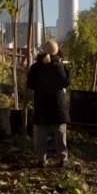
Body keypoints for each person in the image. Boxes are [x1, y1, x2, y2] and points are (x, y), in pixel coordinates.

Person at [27, 40, 71, 168]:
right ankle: (62, 159)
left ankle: (41, 160)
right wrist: (67, 70)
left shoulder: (35, 67)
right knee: (60, 136)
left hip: (41, 106)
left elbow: (30, 84)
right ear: (56, 52)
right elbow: (65, 82)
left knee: (40, 137)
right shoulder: (58, 66)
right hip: (57, 107)